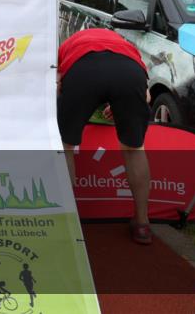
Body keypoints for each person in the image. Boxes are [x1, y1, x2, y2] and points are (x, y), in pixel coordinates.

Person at [58, 27, 152, 244]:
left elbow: (58, 85)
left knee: (65, 146)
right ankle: (142, 223)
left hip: (83, 69)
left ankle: (65, 220)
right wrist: (117, 105)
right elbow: (146, 95)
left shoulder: (68, 46)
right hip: (129, 73)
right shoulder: (128, 48)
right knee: (134, 148)